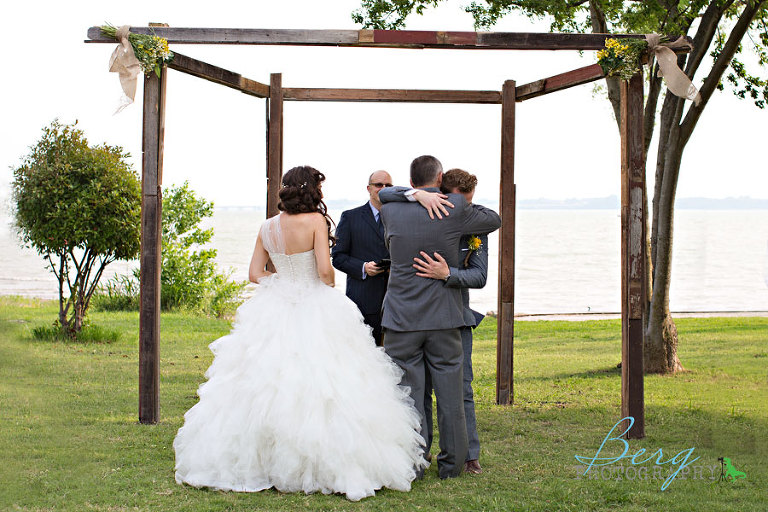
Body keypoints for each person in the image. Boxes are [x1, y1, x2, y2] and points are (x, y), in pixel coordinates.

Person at [173, 166, 427, 502]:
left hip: (275, 306)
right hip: (313, 303)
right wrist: (317, 283)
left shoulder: (267, 226)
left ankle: (262, 460)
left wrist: (283, 283)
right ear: (311, 191)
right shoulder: (316, 222)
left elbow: (255, 273)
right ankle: (324, 461)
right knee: (328, 380)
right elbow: (325, 272)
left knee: (267, 382)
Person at [378, 155, 501, 479]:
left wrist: (412, 195)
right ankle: (453, 465)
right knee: (451, 397)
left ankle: (414, 464)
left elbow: (384, 193)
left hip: (402, 319)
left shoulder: (390, 209)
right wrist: (437, 197)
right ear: (440, 177)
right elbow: (494, 219)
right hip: (444, 319)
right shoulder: (454, 207)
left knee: (408, 395)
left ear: (411, 180)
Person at [412, 169, 488, 475]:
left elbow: (479, 276)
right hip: (418, 317)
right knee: (420, 389)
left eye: (469, 203)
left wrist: (448, 274)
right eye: (460, 202)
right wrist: (417, 193)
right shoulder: (419, 216)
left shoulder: (475, 225)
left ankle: (468, 455)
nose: (464, 210)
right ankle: (420, 452)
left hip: (457, 318)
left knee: (462, 389)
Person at [331, 170, 393, 346]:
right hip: (363, 300)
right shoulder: (350, 217)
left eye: (388, 185)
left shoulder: (399, 217)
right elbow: (338, 257)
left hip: (396, 300)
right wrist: (363, 267)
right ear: (369, 188)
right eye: (378, 185)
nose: (383, 188)